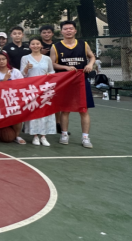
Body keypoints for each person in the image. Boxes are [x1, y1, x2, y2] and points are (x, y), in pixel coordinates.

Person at [51, 20, 96, 149]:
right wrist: (65, 67)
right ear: (61, 31)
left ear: (75, 31)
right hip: (65, 82)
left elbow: (92, 56)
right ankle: (64, 134)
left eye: (71, 28)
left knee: (84, 110)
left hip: (81, 81)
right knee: (65, 110)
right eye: (65, 29)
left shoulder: (83, 44)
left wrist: (90, 64)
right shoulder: (56, 47)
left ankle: (85, 137)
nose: (68, 31)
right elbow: (52, 64)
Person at [21, 38, 57, 147]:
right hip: (32, 89)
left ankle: (43, 136)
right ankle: (35, 135)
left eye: (37, 44)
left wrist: (49, 75)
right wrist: (26, 68)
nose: (35, 46)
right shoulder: (25, 58)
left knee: (45, 111)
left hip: (45, 89)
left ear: (41, 45)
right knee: (34, 112)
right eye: (33, 44)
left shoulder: (47, 58)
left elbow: (52, 71)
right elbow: (22, 75)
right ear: (29, 46)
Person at [0, 51, 26, 145]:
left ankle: (17, 135)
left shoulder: (15, 71)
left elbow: (22, 84)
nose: (1, 61)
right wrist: (5, 80)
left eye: (3, 59)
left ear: (7, 60)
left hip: (14, 98)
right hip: (1, 100)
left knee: (18, 115)